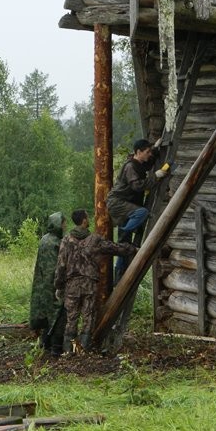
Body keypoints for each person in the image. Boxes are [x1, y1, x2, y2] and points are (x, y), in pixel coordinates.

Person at [54, 209, 137, 354]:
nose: (89, 219)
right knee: (88, 318)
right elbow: (115, 248)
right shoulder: (95, 239)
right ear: (84, 221)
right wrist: (133, 249)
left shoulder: (66, 240)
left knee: (71, 319)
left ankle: (70, 351)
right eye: (87, 217)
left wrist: (59, 286)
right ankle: (83, 351)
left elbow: (61, 266)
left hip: (71, 286)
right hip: (89, 285)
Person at [106, 138, 169, 278]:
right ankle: (125, 229)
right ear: (138, 152)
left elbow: (149, 163)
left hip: (125, 203)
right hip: (117, 202)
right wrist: (155, 176)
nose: (149, 155)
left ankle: (119, 277)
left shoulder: (139, 163)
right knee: (143, 212)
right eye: (147, 152)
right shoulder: (130, 167)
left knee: (124, 245)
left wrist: (155, 148)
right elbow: (137, 186)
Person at [28, 211, 66, 356]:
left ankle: (45, 344)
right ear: (58, 224)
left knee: (47, 313)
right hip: (51, 284)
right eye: (63, 223)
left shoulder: (45, 239)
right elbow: (52, 269)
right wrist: (59, 285)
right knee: (57, 313)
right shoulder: (53, 243)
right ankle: (56, 348)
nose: (65, 226)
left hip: (42, 284)